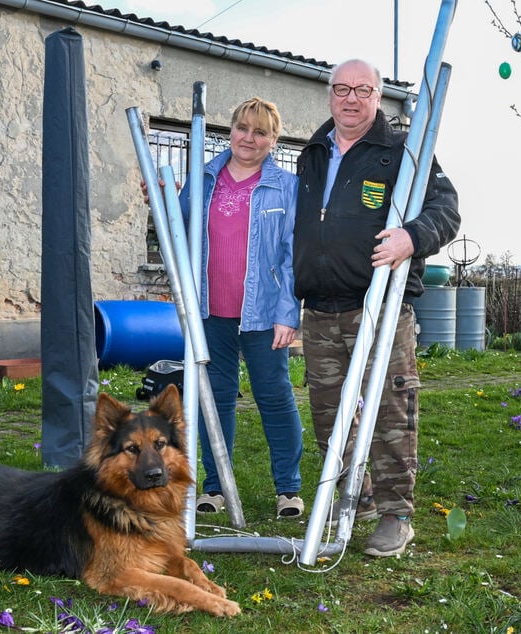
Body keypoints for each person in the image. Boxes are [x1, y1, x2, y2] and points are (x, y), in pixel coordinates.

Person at [293, 59, 460, 556]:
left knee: (390, 411)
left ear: (377, 96)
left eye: (362, 90)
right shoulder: (312, 153)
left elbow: (446, 210)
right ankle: (352, 501)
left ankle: (395, 514)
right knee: (329, 414)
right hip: (320, 308)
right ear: (329, 95)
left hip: (381, 306)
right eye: (341, 89)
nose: (350, 99)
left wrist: (412, 237)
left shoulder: (403, 150)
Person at [174, 97, 305, 519]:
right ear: (229, 130)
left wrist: (289, 313)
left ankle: (289, 488)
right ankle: (214, 487)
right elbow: (176, 229)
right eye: (242, 128)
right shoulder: (204, 178)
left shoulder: (286, 186)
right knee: (215, 398)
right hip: (210, 309)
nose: (249, 138)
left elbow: (291, 255)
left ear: (273, 140)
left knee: (274, 395)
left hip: (264, 313)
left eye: (260, 131)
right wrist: (159, 195)